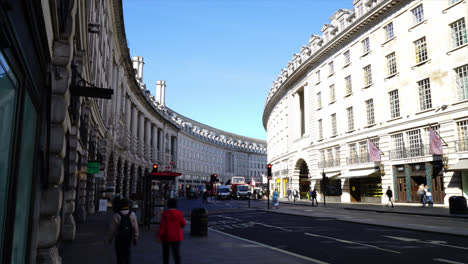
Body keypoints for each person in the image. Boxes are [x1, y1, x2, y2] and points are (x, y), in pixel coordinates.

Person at [107, 199, 139, 264]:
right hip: (128, 237)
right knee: (127, 252)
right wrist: (136, 237)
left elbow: (112, 229)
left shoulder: (116, 215)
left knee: (119, 254)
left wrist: (110, 239)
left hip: (119, 237)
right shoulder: (132, 214)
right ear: (128, 205)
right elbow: (135, 227)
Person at [157, 198, 186, 264]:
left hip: (166, 237)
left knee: (166, 255)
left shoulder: (165, 214)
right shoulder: (179, 213)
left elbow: (162, 227)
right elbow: (183, 224)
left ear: (168, 205)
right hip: (177, 236)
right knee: (176, 254)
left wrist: (159, 236)